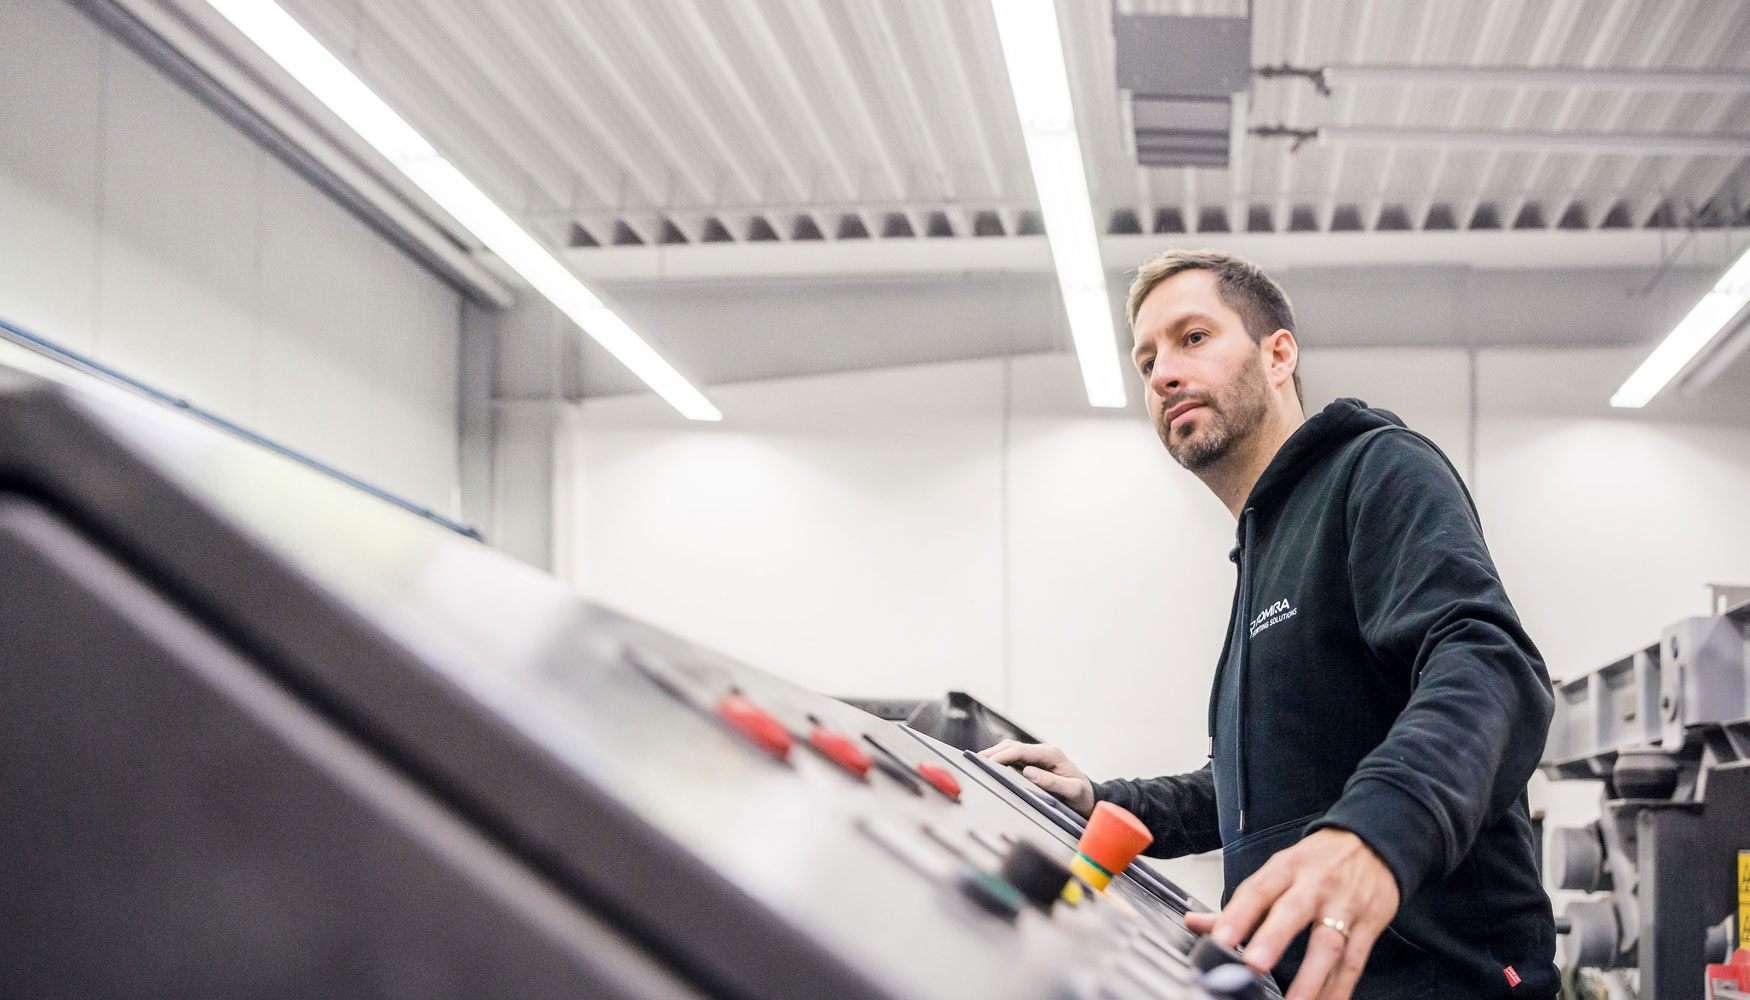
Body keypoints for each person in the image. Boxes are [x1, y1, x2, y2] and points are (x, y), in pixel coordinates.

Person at [980, 249, 1556, 1000]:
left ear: (1277, 353)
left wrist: (1370, 838)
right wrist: (1102, 800)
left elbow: (1491, 665)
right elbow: (1258, 794)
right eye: (1146, 358)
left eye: (1192, 338)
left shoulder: (1377, 470)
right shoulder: (1260, 554)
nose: (1161, 374)